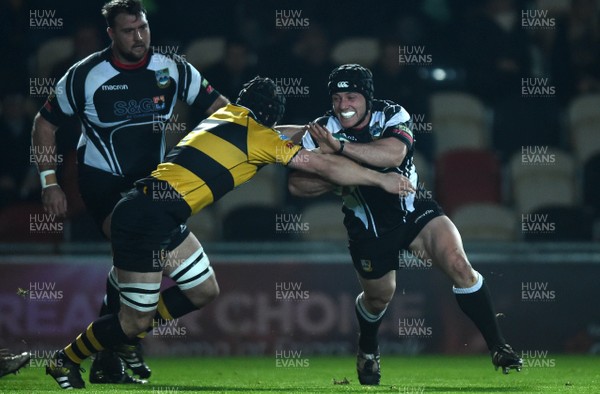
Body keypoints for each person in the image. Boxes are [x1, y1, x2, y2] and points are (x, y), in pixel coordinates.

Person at [44, 76, 412, 390]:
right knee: (134, 318)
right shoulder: (260, 137)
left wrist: (308, 133)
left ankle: (125, 333)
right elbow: (321, 165)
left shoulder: (225, 116)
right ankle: (66, 358)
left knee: (203, 290)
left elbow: (284, 136)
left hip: (159, 212)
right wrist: (381, 179)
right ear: (269, 116)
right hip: (146, 219)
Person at [30, 0, 229, 384]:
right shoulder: (86, 75)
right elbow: (44, 123)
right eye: (128, 31)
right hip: (105, 188)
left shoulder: (172, 68)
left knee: (201, 290)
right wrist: (49, 181)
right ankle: (106, 345)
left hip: (155, 191)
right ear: (111, 34)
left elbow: (222, 111)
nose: (138, 37)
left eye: (143, 28)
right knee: (136, 252)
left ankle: (119, 340)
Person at [287, 64, 522, 385]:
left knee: (458, 263)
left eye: (351, 96)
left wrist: (339, 153)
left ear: (367, 98)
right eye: (337, 97)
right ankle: (368, 348)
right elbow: (297, 186)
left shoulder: (392, 115)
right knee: (378, 298)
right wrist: (338, 175)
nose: (343, 105)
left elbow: (394, 155)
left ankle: (499, 347)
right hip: (367, 227)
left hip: (413, 208)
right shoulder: (321, 129)